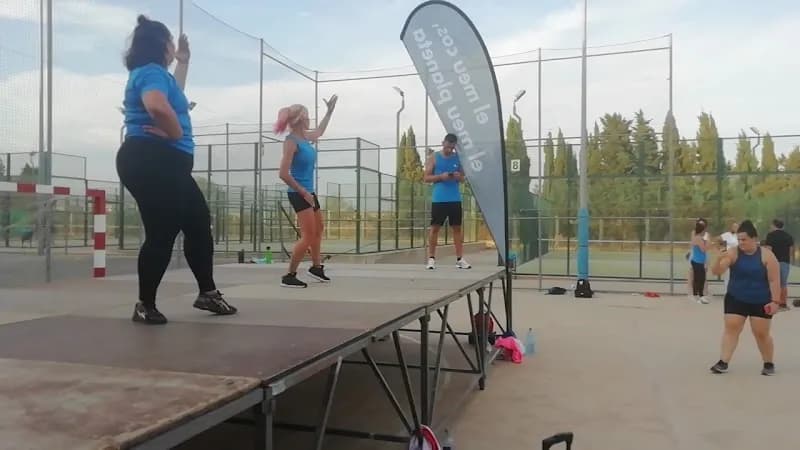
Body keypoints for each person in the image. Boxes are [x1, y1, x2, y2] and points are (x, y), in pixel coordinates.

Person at [117, 15, 237, 324]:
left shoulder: (157, 74)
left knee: (198, 223)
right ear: (162, 45)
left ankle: (207, 293)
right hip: (152, 159)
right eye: (172, 43)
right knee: (163, 231)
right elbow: (157, 105)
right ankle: (145, 305)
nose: (174, 47)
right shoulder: (152, 73)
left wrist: (183, 63)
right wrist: (175, 133)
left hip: (163, 162)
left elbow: (171, 95)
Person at [276, 97, 338, 288]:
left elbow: (320, 131)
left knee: (319, 229)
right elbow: (283, 174)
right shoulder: (291, 142)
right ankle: (289, 275)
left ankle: (316, 267)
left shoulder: (305, 137)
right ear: (301, 119)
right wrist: (303, 192)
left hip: (309, 192)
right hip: (299, 193)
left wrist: (329, 112)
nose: (310, 119)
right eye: (308, 116)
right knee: (308, 236)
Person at [710, 220, 781, 376]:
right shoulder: (733, 252)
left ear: (754, 239)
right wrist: (718, 259)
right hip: (736, 297)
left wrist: (775, 302)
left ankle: (768, 363)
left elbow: (774, 280)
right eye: (739, 239)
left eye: (744, 239)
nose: (741, 242)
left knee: (761, 333)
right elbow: (717, 271)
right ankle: (723, 362)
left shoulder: (767, 256)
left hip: (761, 299)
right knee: (732, 328)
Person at [423, 133, 471, 270]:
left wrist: (458, 176)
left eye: (452, 147)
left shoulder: (458, 158)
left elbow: (463, 178)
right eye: (447, 147)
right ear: (443, 143)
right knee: (435, 228)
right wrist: (441, 176)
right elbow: (426, 178)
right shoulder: (434, 158)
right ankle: (431, 259)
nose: (449, 150)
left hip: (455, 199)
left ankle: (460, 259)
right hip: (439, 199)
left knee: (457, 228)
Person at [763, 219, 794, 310]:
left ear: (773, 225)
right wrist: (789, 261)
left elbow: (769, 249)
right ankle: (783, 304)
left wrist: (766, 261)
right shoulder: (788, 236)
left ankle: (773, 302)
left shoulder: (770, 235)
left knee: (772, 282)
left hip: (773, 262)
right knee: (783, 284)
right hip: (785, 262)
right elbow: (791, 251)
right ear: (782, 226)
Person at [689, 219, 710, 304]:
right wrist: (708, 242)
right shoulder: (698, 238)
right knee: (699, 279)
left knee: (701, 279)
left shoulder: (699, 238)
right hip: (697, 261)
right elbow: (703, 249)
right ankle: (698, 296)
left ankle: (700, 296)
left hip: (700, 261)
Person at [719, 221, 739, 292]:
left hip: (736, 257)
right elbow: (719, 239)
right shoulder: (727, 235)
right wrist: (723, 250)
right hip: (727, 256)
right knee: (727, 274)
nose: (735, 228)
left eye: (737, 227)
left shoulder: (739, 236)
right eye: (734, 227)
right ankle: (726, 291)